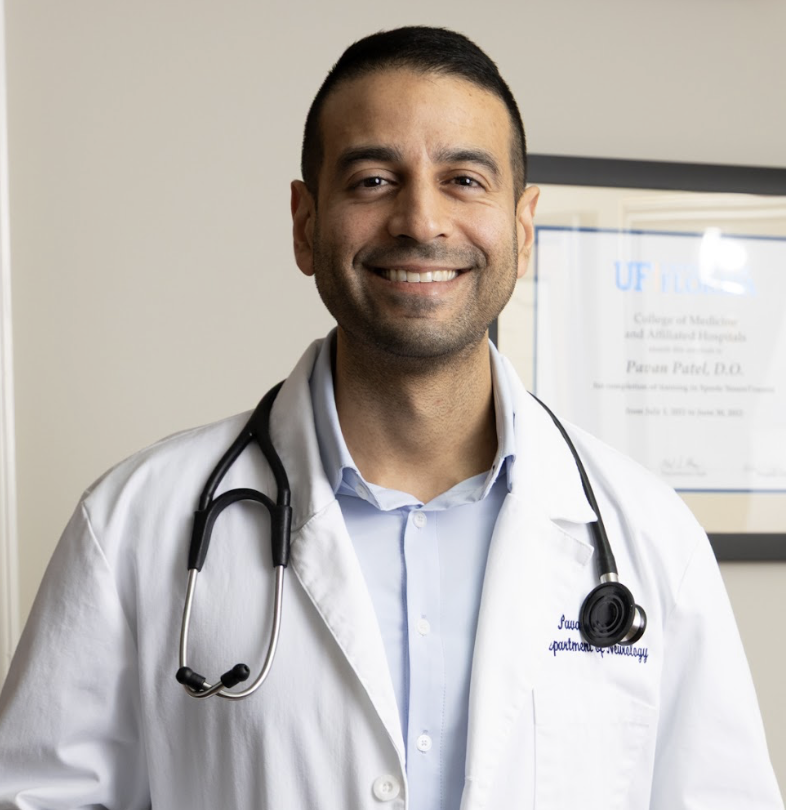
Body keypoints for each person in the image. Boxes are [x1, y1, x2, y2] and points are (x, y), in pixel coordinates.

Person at [0, 25, 782, 810]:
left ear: (522, 224)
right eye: (374, 180)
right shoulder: (134, 524)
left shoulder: (650, 537)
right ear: (306, 224)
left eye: (465, 180)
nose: (421, 221)